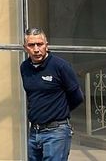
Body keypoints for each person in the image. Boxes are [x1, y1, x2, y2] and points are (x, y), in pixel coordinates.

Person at [20, 27, 84, 161]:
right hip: (34, 132)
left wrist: (58, 110)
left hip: (56, 132)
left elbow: (77, 97)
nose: (36, 49)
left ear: (46, 46)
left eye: (40, 44)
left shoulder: (60, 66)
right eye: (31, 45)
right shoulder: (25, 67)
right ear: (25, 48)